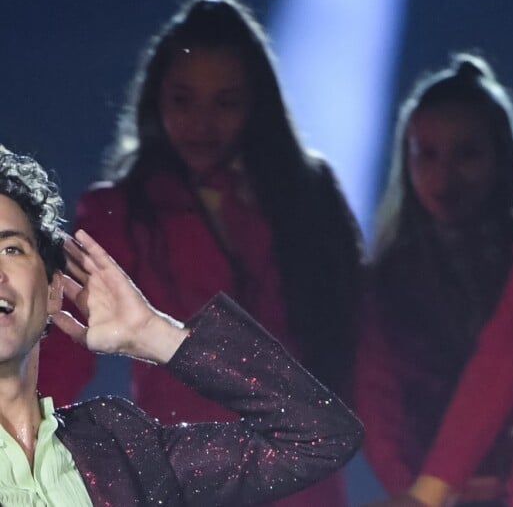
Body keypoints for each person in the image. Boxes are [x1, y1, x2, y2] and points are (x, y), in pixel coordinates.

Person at [38, 0, 363, 506]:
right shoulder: (117, 208)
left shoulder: (308, 196)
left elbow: (354, 340)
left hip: (301, 471)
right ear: (155, 100)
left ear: (257, 104)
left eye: (226, 102)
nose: (202, 123)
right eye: (182, 99)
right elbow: (65, 344)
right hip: (191, 470)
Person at [0, 143, 363, 505]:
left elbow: (320, 437)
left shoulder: (119, 446)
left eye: (10, 249)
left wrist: (154, 333)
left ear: (52, 289)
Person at [380, 52, 513, 507]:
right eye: (426, 155)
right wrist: (429, 490)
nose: (445, 175)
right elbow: (503, 355)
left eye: (467, 154)